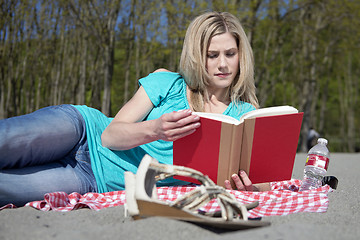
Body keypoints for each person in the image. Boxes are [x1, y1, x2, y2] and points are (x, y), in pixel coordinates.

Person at [0, 11, 269, 207]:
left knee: (8, 188)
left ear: (240, 55)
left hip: (95, 181)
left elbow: (265, 180)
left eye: (230, 54)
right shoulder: (168, 82)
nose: (223, 64)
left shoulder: (243, 115)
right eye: (213, 55)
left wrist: (248, 185)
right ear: (198, 57)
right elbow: (109, 137)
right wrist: (155, 129)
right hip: (83, 131)